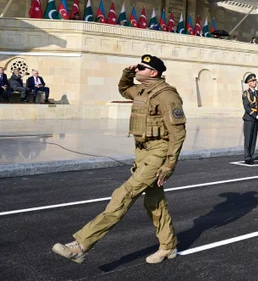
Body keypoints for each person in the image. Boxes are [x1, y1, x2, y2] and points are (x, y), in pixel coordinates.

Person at [52, 54, 186, 264]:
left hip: (158, 153)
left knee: (124, 194)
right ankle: (168, 246)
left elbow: (178, 133)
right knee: (154, 202)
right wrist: (127, 73)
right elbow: (124, 89)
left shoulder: (167, 95)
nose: (138, 70)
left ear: (154, 73)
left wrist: (169, 164)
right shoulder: (141, 90)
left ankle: (82, 245)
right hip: (142, 152)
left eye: (142, 68)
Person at [242, 73, 258, 165]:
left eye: (255, 81)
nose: (255, 82)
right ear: (249, 83)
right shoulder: (246, 93)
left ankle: (251, 156)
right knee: (248, 138)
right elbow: (246, 107)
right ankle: (247, 157)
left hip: (256, 118)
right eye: (253, 81)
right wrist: (255, 115)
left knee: (254, 138)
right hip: (249, 118)